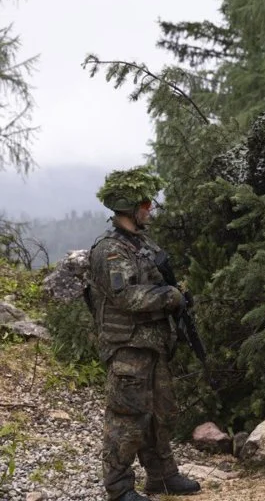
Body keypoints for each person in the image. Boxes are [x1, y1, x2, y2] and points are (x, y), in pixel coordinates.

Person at [85, 166, 200, 501]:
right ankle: (119, 487)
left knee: (160, 414)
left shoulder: (142, 244)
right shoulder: (111, 250)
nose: (150, 209)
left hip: (151, 345)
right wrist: (170, 297)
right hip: (127, 347)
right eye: (145, 204)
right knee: (127, 417)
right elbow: (126, 296)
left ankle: (162, 477)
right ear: (129, 207)